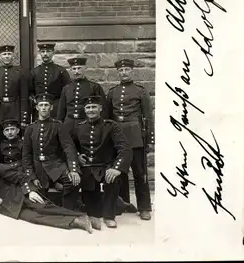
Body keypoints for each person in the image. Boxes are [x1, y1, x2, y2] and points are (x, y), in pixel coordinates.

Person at [0, 149, 93, 234]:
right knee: (35, 218)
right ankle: (77, 221)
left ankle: (84, 217)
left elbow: (21, 176)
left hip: (18, 194)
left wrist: (30, 191)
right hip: (6, 207)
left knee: (44, 208)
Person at [73, 95, 132, 229]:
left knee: (113, 179)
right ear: (84, 110)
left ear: (100, 108)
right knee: (94, 212)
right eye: (88, 107)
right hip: (88, 169)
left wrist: (116, 168)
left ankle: (109, 216)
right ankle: (118, 203)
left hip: (106, 167)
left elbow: (125, 148)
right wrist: (77, 156)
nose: (91, 110)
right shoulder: (79, 127)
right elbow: (71, 147)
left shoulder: (111, 126)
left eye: (94, 107)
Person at [106, 59, 154, 220]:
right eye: (121, 70)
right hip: (118, 137)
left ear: (131, 71)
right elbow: (107, 118)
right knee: (120, 172)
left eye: (127, 69)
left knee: (140, 173)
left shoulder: (140, 91)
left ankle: (145, 207)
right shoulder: (112, 92)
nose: (124, 72)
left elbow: (148, 117)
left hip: (135, 136)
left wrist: (149, 140)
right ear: (117, 72)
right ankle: (124, 203)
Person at [22, 93, 81, 212]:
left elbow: (68, 148)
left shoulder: (58, 125)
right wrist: (32, 176)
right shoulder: (30, 128)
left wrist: (73, 169)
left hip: (56, 165)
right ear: (37, 107)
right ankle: (51, 212)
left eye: (46, 105)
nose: (43, 107)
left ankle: (67, 211)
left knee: (72, 182)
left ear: (51, 107)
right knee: (38, 199)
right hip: (38, 168)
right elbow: (26, 155)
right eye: (41, 105)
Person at [0, 45, 30, 150]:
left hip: (14, 111)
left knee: (16, 140)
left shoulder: (20, 74)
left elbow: (24, 97)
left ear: (13, 56)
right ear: (0, 57)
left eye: (9, 54)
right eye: (4, 54)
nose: (7, 56)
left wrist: (23, 118)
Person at [57, 56, 108, 135]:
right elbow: (61, 110)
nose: (77, 71)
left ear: (85, 68)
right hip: (68, 125)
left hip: (87, 125)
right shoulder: (66, 88)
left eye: (79, 68)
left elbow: (103, 109)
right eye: (74, 69)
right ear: (71, 70)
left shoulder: (94, 87)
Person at [28, 42, 71, 119]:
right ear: (40, 53)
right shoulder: (34, 72)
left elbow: (68, 92)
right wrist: (35, 101)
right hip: (40, 110)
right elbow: (30, 91)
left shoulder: (60, 71)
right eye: (43, 51)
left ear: (53, 52)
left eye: (48, 51)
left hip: (56, 109)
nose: (45, 54)